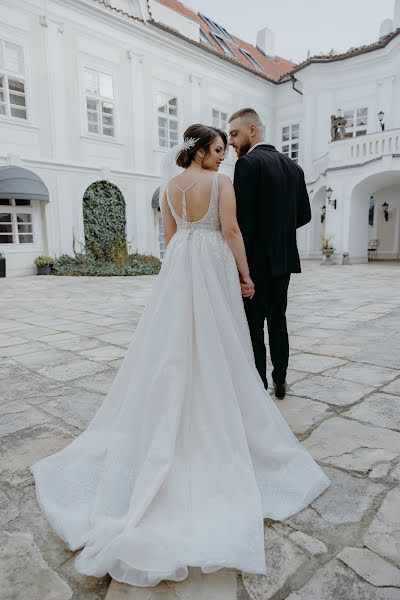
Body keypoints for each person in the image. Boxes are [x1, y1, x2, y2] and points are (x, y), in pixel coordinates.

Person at [31, 124, 329, 588]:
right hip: (212, 264)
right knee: (221, 341)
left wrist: (181, 270)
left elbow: (169, 239)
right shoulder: (221, 184)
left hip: (180, 269)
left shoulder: (168, 187)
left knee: (171, 345)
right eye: (217, 150)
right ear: (202, 151)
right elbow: (230, 229)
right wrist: (244, 275)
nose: (222, 157)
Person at [229, 108, 312, 399]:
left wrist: (242, 270)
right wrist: (280, 230)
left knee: (254, 327)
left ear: (253, 130)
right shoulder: (294, 168)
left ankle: (258, 386)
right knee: (278, 322)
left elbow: (242, 223)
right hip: (285, 261)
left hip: (256, 264)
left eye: (234, 134)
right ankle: (280, 382)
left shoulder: (248, 164)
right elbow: (305, 215)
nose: (230, 142)